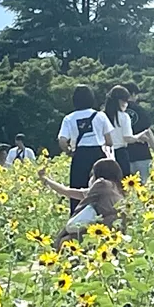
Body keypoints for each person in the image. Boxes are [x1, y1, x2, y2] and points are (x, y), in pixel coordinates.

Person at [39, 159, 125, 249]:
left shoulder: (102, 184)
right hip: (116, 232)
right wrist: (46, 180)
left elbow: (68, 193)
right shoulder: (116, 190)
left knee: (66, 241)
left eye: (93, 174)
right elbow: (67, 191)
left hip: (103, 232)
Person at [58, 85, 114, 213]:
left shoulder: (69, 118)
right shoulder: (100, 116)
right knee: (102, 188)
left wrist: (69, 151)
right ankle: (103, 214)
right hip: (98, 155)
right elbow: (109, 141)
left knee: (77, 189)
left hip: (80, 155)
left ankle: (77, 216)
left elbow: (62, 141)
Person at [123, 82, 154, 183]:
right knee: (144, 185)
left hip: (124, 155)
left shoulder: (116, 111)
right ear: (133, 94)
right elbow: (148, 131)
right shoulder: (140, 110)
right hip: (142, 154)